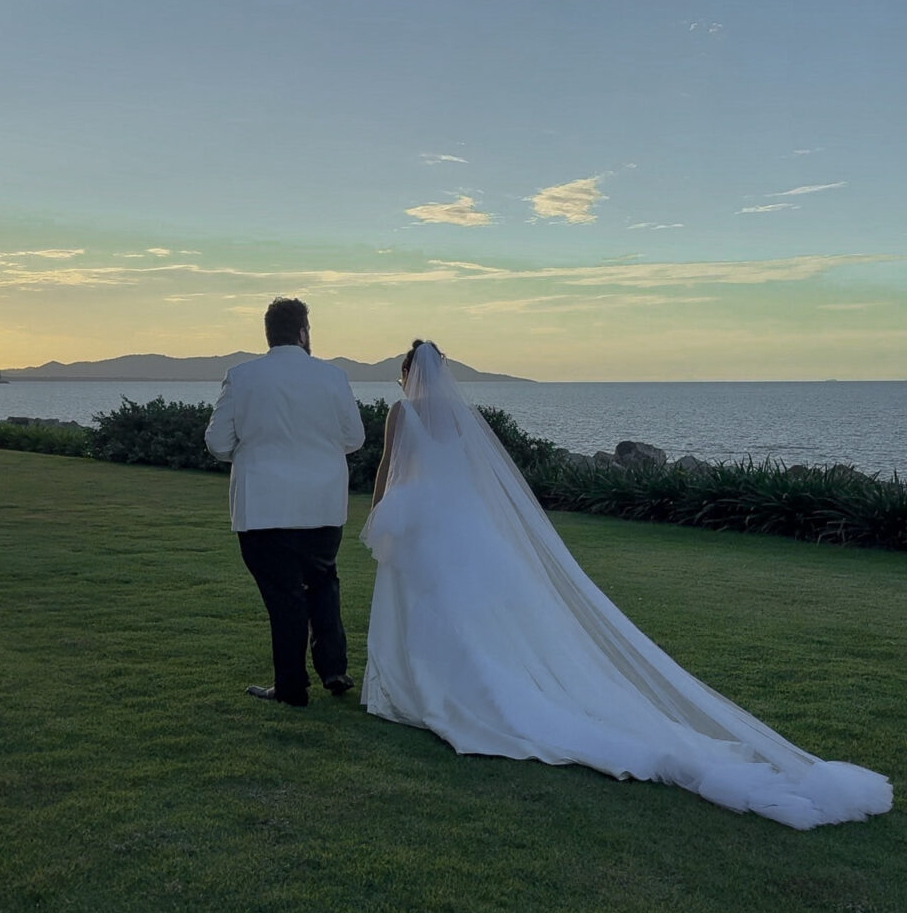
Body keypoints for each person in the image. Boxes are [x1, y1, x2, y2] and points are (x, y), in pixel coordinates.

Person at [360, 340, 892, 829]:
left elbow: (389, 466)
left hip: (424, 521)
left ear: (408, 374)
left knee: (431, 607)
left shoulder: (403, 413)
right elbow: (474, 477)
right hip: (465, 525)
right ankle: (459, 680)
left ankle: (436, 686)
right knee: (474, 614)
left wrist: (378, 508)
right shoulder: (460, 417)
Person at [206, 297, 365, 706]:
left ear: (268, 334)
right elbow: (354, 438)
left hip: (264, 506)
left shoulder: (242, 377)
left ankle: (292, 687)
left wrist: (252, 452)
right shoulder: (333, 377)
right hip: (323, 503)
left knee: (284, 598)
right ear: (303, 333)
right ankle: (333, 668)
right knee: (324, 582)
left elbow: (217, 443)